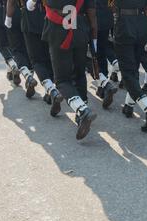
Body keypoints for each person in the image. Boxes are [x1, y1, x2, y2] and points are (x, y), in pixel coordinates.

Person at [42, 0, 98, 140]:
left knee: (62, 80)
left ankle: (82, 110)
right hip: (80, 27)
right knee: (79, 74)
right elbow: (92, 12)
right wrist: (94, 38)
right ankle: (81, 114)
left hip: (58, 29)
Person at [111, 0, 147, 131]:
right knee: (133, 68)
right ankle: (129, 105)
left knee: (128, 74)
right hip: (141, 24)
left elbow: (110, 6)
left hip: (124, 24)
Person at [4, 0, 36, 97]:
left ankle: (28, 76)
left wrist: (8, 18)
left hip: (16, 10)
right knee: (29, 48)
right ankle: (30, 76)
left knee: (17, 49)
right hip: (32, 14)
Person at [94, 0, 118, 109]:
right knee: (102, 53)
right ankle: (101, 86)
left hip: (92, 19)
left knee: (92, 57)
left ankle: (103, 84)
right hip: (106, 18)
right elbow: (112, 3)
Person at [0, 0, 20, 85]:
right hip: (10, 12)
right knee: (11, 43)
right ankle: (10, 70)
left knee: (2, 45)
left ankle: (13, 65)